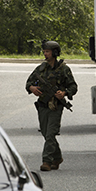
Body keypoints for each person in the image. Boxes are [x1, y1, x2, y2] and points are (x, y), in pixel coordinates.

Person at [26, 40, 77, 171]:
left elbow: (73, 86)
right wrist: (32, 88)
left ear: (54, 52)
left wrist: (64, 93)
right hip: (42, 105)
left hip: (55, 106)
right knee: (45, 132)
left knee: (50, 134)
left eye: (47, 51)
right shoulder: (41, 68)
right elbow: (29, 82)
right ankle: (57, 157)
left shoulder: (64, 69)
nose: (45, 54)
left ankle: (46, 161)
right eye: (44, 51)